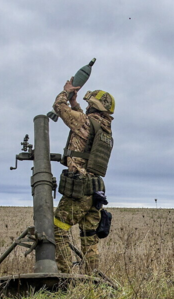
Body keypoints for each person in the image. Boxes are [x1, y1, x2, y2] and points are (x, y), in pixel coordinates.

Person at [52, 78, 115, 275]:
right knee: (89, 237)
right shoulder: (104, 129)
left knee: (57, 230)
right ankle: (91, 281)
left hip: (79, 190)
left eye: (89, 105)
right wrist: (76, 104)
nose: (86, 108)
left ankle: (63, 277)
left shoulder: (85, 122)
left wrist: (65, 93)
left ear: (95, 106)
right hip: (95, 192)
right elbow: (82, 119)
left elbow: (58, 108)